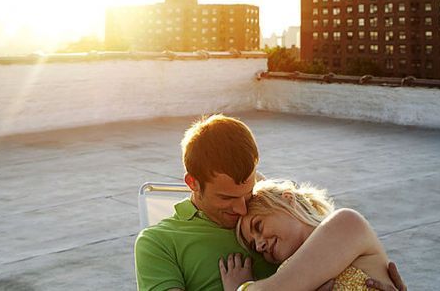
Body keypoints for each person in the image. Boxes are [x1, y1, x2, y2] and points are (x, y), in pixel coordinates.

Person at [134, 114, 405, 291]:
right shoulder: (158, 242)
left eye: (248, 193)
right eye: (226, 198)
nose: (241, 209)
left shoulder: (278, 218)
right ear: (192, 184)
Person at [220, 180, 394, 291]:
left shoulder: (346, 222)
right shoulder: (288, 276)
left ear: (288, 200)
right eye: (253, 246)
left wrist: (240, 287)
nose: (259, 246)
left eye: (258, 225)